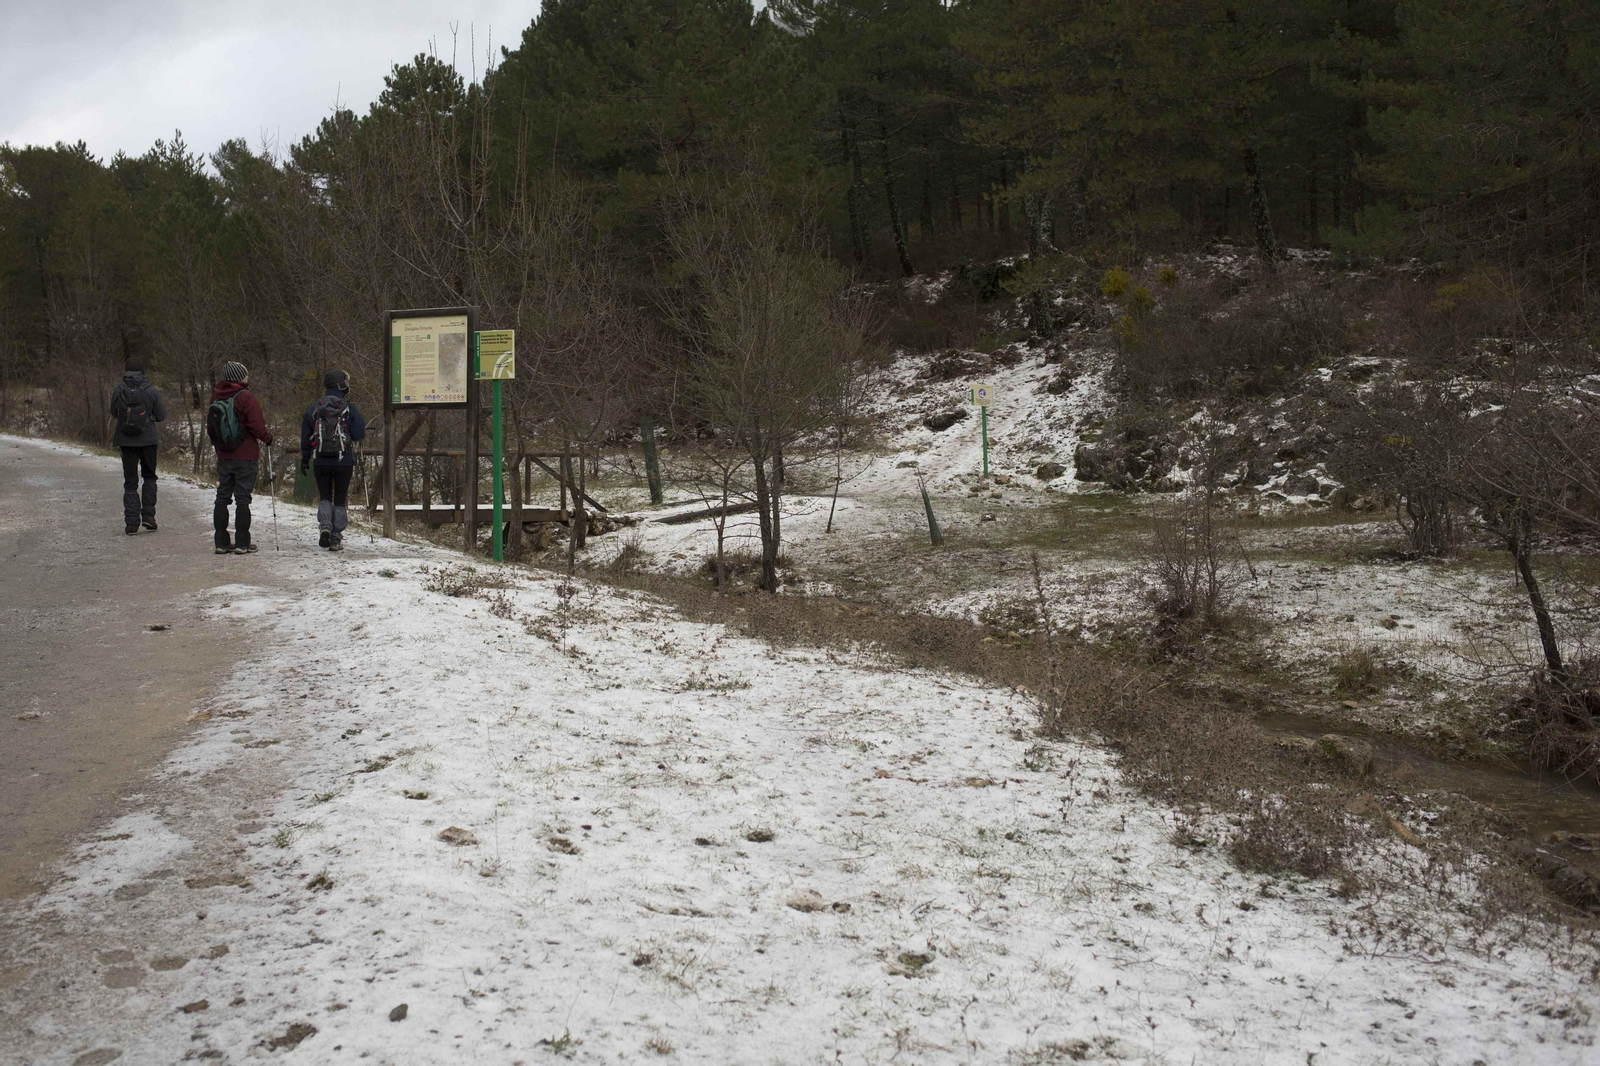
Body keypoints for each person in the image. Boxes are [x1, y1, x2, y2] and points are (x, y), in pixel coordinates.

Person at [207, 361, 272, 555]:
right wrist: (268, 438)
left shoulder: (216, 396)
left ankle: (221, 542)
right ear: (239, 377)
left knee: (222, 496)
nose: (247, 377)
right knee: (242, 499)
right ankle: (242, 543)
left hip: (223, 455)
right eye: (245, 374)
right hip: (245, 455)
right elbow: (256, 425)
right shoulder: (245, 397)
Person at [300, 369, 366, 551]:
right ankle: (336, 538)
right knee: (340, 498)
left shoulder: (315, 408)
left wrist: (305, 458)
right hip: (344, 460)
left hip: (321, 459)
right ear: (341, 386)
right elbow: (359, 433)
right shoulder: (348, 408)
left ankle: (325, 527)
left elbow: (305, 437)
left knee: (325, 496)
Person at [109, 357, 167, 535]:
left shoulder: (119, 389)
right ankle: (148, 516)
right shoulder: (151, 390)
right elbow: (161, 416)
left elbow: (113, 412)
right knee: (149, 477)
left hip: (126, 441)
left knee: (130, 483)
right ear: (143, 372)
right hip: (148, 441)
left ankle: (131, 523)